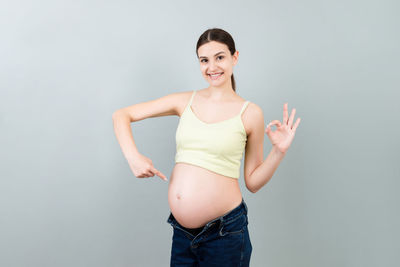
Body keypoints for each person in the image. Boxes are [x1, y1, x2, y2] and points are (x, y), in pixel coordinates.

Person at [112, 28, 301, 267]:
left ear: (235, 57)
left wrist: (279, 151)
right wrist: (133, 157)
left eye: (220, 57)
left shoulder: (250, 113)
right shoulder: (184, 101)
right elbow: (122, 115)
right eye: (204, 60)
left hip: (225, 236)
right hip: (182, 234)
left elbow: (252, 182)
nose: (212, 67)